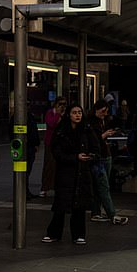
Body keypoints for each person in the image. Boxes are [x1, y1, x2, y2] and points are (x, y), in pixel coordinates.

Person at [42, 104, 99, 245]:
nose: (78, 115)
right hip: (65, 172)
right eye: (74, 112)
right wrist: (74, 157)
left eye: (79, 112)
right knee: (61, 205)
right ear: (69, 115)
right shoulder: (62, 130)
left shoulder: (86, 129)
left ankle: (78, 234)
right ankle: (54, 233)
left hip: (82, 172)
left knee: (79, 205)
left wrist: (90, 157)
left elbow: (96, 148)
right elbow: (57, 151)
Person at [88, 100, 129, 225]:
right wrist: (104, 135)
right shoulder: (91, 124)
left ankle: (96, 212)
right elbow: (93, 141)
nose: (104, 114)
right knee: (103, 186)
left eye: (106, 111)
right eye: (102, 111)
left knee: (99, 187)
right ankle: (112, 214)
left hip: (105, 155)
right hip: (98, 157)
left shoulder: (102, 121)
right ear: (96, 109)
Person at [40, 97, 65, 197]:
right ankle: (45, 187)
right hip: (50, 142)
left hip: (61, 142)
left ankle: (57, 186)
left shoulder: (66, 114)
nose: (62, 106)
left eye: (64, 104)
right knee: (49, 165)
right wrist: (58, 114)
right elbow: (51, 124)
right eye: (60, 104)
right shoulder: (51, 113)